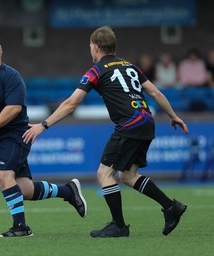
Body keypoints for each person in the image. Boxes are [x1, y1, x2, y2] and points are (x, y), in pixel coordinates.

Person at [23, 26, 189, 238]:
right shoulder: (131, 66)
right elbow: (155, 92)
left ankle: (118, 226)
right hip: (147, 121)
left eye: (90, 47)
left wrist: (43, 125)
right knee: (127, 176)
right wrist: (173, 116)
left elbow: (72, 103)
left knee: (104, 173)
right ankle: (171, 207)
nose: (90, 51)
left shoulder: (96, 70)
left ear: (96, 47)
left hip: (129, 124)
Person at [0, 39, 87, 237]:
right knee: (24, 189)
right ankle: (68, 191)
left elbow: (13, 109)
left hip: (13, 134)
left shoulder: (11, 77)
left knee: (3, 175)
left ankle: (21, 228)